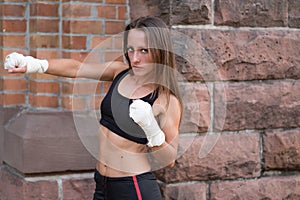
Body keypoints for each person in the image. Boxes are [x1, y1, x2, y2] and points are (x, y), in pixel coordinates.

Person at [4, 16, 182, 200]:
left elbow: (169, 160)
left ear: (160, 51)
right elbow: (77, 68)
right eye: (131, 49)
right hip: (102, 184)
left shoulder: (166, 100)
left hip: (133, 187)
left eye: (144, 50)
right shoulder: (120, 72)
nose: (135, 58)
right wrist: (35, 64)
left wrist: (151, 128)